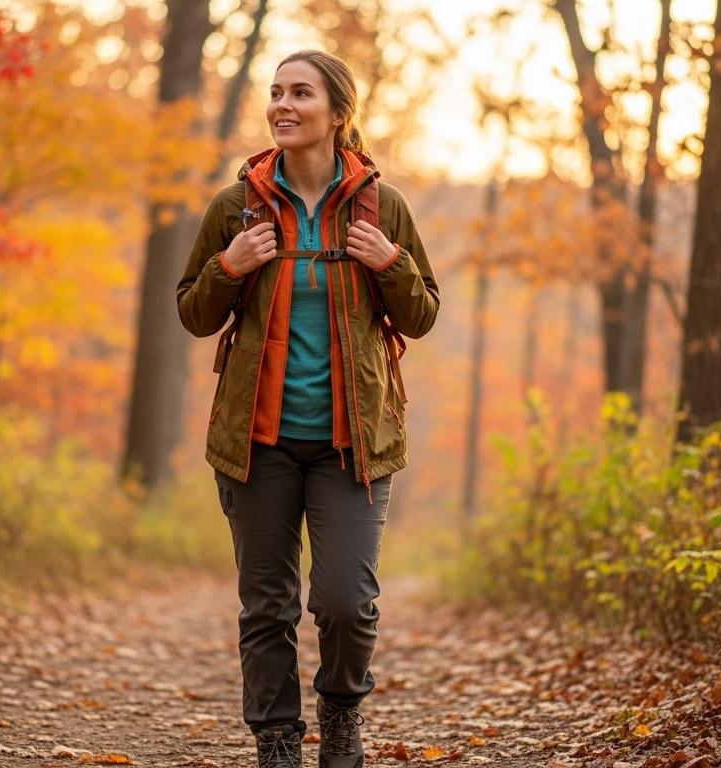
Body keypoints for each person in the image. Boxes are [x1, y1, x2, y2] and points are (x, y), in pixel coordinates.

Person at [176, 49, 439, 768]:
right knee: (267, 606)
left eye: (300, 93)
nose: (282, 105)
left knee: (346, 602)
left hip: (351, 445)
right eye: (275, 92)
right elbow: (193, 313)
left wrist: (392, 262)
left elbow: (421, 317)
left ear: (338, 112)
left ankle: (342, 711)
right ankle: (276, 740)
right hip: (256, 442)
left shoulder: (383, 207)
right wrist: (229, 268)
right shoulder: (238, 206)